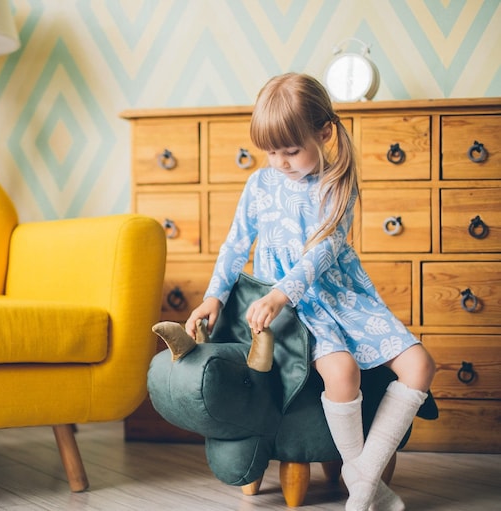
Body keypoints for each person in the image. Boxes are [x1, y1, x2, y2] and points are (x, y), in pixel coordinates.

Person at [183, 73, 436, 511]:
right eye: (271, 151)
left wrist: (282, 292)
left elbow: (322, 254)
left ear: (323, 133)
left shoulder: (338, 185)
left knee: (420, 365)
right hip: (298, 311)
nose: (279, 161)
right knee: (341, 373)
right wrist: (215, 295)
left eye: (291, 150)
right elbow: (235, 245)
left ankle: (363, 476)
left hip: (341, 297)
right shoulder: (260, 186)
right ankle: (365, 489)